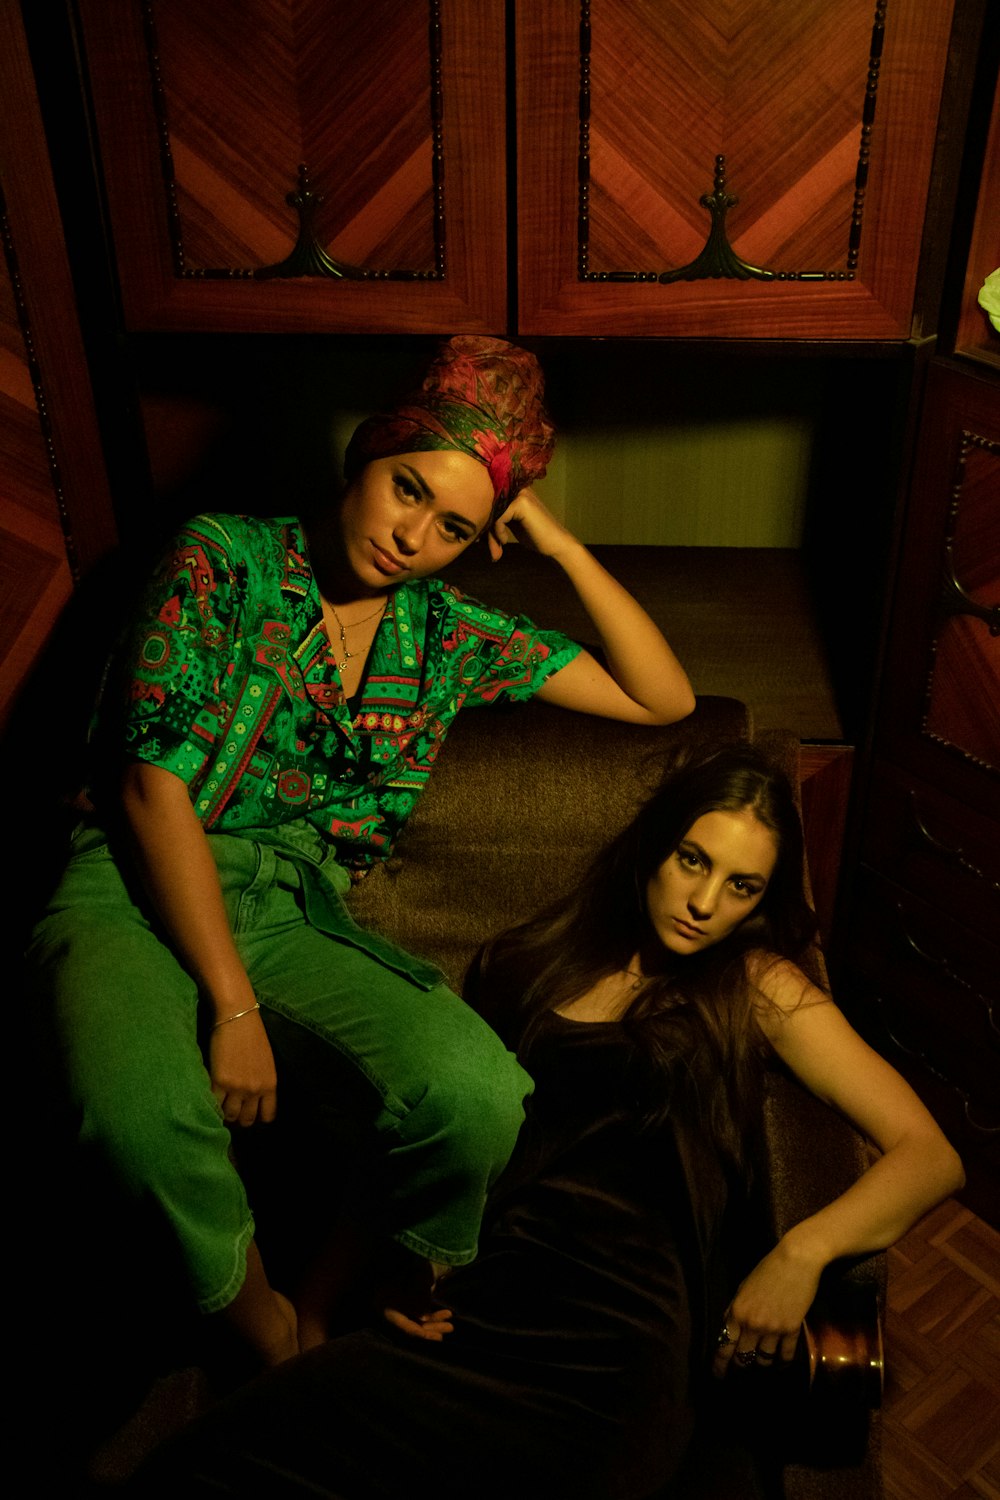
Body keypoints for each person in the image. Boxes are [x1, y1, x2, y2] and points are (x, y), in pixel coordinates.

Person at [26, 336, 695, 1372]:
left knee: (473, 1092)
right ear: (364, 459)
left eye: (454, 526)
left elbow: (663, 700)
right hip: (130, 878)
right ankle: (265, 1332)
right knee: (139, 1123)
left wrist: (558, 545)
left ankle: (327, 1298)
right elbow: (147, 786)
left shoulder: (447, 634)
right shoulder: (222, 557)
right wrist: (233, 1006)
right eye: (407, 490)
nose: (413, 534)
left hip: (293, 909)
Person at [127, 742, 963, 1500]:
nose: (704, 902)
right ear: (656, 846)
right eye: (692, 861)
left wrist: (801, 1254)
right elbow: (434, 1133)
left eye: (740, 886)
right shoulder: (524, 962)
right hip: (480, 1310)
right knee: (207, 1464)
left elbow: (928, 1155)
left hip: (616, 1344)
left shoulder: (754, 984)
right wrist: (345, 1289)